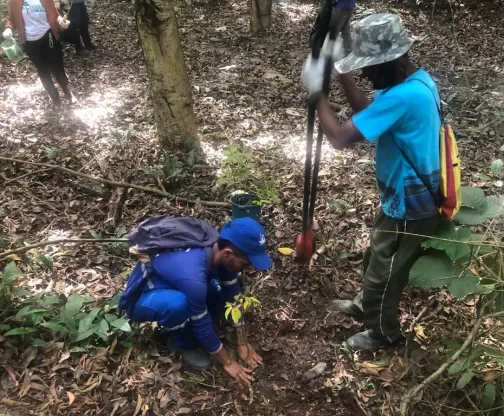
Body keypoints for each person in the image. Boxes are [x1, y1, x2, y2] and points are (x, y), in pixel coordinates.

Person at [301, 13, 441, 352]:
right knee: (377, 258)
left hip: (412, 206)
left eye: (368, 66)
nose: (364, 73)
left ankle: (383, 334)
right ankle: (366, 305)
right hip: (401, 198)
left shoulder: (404, 96)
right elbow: (367, 112)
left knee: (386, 274)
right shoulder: (415, 82)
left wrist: (316, 93)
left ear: (391, 61)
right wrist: (342, 72)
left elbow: (339, 138)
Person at [120, 217, 272, 384]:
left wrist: (242, 343)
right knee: (179, 305)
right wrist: (228, 362)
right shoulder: (193, 276)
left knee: (216, 290)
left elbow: (233, 294)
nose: (245, 269)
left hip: (178, 282)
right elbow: (202, 325)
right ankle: (182, 342)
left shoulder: (219, 246)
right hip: (144, 296)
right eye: (245, 264)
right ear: (228, 253)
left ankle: (190, 315)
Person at [5, 0, 73, 106]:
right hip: (29, 42)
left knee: (57, 68)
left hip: (48, 35)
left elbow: (55, 15)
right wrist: (8, 29)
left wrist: (61, 21)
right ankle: (55, 99)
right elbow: (12, 19)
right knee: (43, 71)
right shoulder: (14, 1)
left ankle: (68, 93)